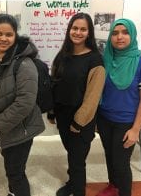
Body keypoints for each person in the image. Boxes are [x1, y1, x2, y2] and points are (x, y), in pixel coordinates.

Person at [0, 13, 45, 196]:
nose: (3, 38)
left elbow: (25, 102)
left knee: (15, 173)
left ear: (15, 36)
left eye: (8, 34)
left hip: (18, 130)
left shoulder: (24, 64)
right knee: (12, 169)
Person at [96, 18, 141, 196]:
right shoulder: (105, 59)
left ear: (132, 35)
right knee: (109, 155)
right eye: (115, 33)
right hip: (104, 119)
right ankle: (113, 185)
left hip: (126, 122)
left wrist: (135, 129)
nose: (119, 37)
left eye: (125, 32)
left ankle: (124, 192)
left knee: (121, 162)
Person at [47, 12, 105, 196]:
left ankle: (78, 190)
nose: (78, 32)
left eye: (83, 29)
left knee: (78, 160)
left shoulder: (95, 60)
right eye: (75, 28)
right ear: (69, 30)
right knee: (72, 154)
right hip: (63, 116)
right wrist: (51, 111)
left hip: (82, 120)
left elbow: (93, 97)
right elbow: (54, 83)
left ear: (89, 33)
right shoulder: (62, 55)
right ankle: (72, 183)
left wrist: (79, 121)